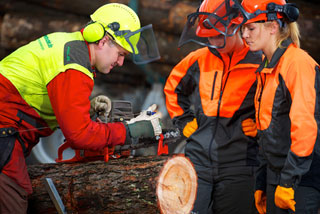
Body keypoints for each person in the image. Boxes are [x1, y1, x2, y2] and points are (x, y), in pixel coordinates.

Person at [0, 3, 162, 213]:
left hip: (8, 127)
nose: (121, 62)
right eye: (120, 53)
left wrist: (86, 107)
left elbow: (43, 95)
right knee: (14, 197)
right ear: (104, 40)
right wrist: (130, 131)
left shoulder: (70, 46)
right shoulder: (74, 65)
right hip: (4, 130)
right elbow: (79, 135)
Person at [164, 0, 262, 213]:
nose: (213, 41)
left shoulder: (260, 62)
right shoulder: (198, 59)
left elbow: (279, 103)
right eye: (208, 36)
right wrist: (184, 121)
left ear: (237, 27)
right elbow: (173, 88)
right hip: (197, 161)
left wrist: (261, 126)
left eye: (218, 36)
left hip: (240, 164)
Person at [240, 0, 320, 213]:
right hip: (278, 174)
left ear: (273, 27)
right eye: (243, 29)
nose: (244, 35)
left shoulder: (297, 64)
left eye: (250, 28)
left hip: (300, 178)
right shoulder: (267, 68)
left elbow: (305, 128)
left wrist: (288, 182)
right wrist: (262, 180)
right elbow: (268, 131)